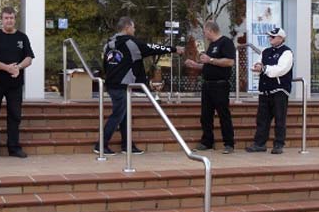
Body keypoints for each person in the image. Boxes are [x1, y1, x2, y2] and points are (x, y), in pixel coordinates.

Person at [97, 16, 182, 155]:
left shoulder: (108, 44)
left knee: (124, 115)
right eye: (133, 27)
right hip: (123, 84)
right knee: (118, 115)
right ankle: (101, 145)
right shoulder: (131, 43)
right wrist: (173, 49)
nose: (134, 29)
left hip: (112, 84)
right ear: (127, 27)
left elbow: (105, 65)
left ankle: (127, 145)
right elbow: (151, 48)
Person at [0, 7, 35, 159]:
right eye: (6, 18)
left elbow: (29, 58)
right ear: (2, 19)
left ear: (15, 19)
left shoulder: (22, 37)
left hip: (15, 84)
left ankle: (14, 147)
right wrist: (7, 68)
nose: (9, 20)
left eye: (11, 18)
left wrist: (17, 67)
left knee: (15, 115)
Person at [184, 20, 236, 154]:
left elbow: (230, 62)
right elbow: (209, 65)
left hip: (220, 85)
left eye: (205, 31)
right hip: (207, 85)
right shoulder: (212, 45)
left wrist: (210, 60)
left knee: (223, 114)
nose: (204, 34)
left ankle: (229, 143)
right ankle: (207, 141)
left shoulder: (226, 42)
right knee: (205, 115)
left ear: (210, 30)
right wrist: (196, 65)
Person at [247, 27, 293, 155]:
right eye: (270, 37)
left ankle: (278, 144)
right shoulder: (265, 51)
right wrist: (257, 67)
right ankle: (259, 143)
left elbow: (281, 69)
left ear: (281, 38)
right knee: (262, 119)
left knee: (279, 119)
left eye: (273, 37)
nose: (270, 39)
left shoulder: (287, 52)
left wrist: (264, 68)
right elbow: (258, 64)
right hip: (265, 90)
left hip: (279, 91)